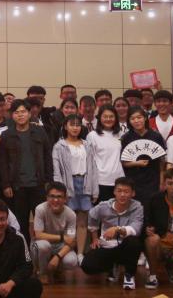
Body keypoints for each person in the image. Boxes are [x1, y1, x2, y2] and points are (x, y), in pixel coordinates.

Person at [0, 99, 52, 236]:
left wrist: (49, 181)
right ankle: (24, 248)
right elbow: (2, 162)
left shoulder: (40, 132)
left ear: (29, 113)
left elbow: (47, 157)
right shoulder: (6, 135)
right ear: (12, 115)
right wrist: (6, 185)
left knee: (42, 222)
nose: (20, 115)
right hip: (17, 187)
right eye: (16, 112)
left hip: (38, 185)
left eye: (23, 111)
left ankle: (42, 248)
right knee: (20, 223)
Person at [81, 177, 144, 290]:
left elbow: (136, 229)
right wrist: (95, 238)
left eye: (126, 191)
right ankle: (112, 267)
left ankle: (129, 275)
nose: (122, 195)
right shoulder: (103, 206)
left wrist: (117, 229)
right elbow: (92, 216)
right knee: (87, 265)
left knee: (134, 241)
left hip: (125, 247)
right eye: (119, 191)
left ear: (133, 193)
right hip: (107, 246)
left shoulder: (137, 207)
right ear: (114, 192)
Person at [51, 113, 99, 256]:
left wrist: (94, 189)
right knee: (68, 221)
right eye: (72, 125)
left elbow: (93, 168)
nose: (75, 128)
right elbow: (57, 170)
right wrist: (60, 191)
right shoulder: (59, 146)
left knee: (83, 221)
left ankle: (80, 253)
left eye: (78, 125)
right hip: (68, 184)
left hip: (85, 183)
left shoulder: (87, 144)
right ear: (65, 127)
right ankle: (68, 253)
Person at [31, 183, 78, 284]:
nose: (55, 200)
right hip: (41, 244)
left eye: (59, 197)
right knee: (43, 246)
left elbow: (71, 241)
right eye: (52, 196)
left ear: (65, 199)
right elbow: (38, 235)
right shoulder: (40, 209)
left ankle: (58, 270)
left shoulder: (71, 215)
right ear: (47, 198)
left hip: (60, 247)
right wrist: (62, 237)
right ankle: (42, 273)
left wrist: (58, 256)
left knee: (72, 261)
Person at [121, 106, 167, 207]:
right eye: (132, 118)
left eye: (139, 117)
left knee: (153, 206)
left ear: (145, 118)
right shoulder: (126, 138)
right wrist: (137, 163)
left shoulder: (156, 136)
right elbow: (123, 162)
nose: (136, 121)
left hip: (153, 179)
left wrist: (162, 181)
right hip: (133, 180)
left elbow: (162, 161)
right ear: (129, 121)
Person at [86, 105, 125, 202]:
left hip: (119, 180)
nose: (108, 119)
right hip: (100, 181)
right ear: (100, 118)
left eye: (111, 116)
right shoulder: (92, 136)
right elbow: (88, 162)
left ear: (116, 118)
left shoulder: (122, 135)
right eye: (105, 116)